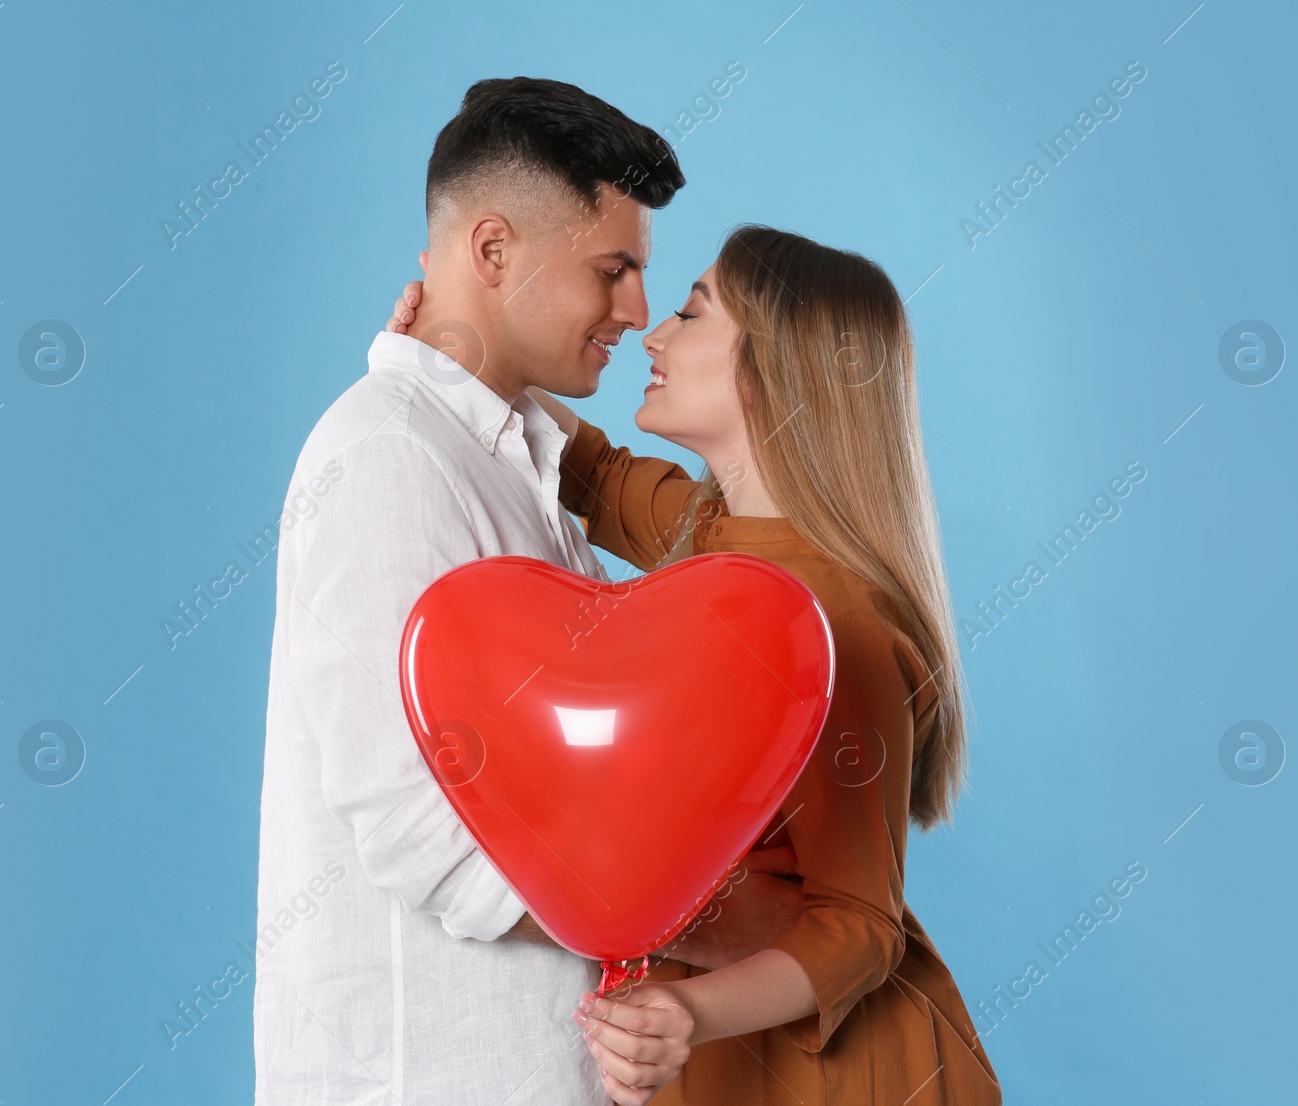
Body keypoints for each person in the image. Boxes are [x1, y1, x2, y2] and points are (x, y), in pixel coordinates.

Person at [255, 78, 804, 1106]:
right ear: (493, 251)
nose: (637, 309)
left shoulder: (511, 463)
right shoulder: (387, 457)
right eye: (614, 269)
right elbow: (416, 823)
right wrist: (717, 920)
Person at [386, 225, 1003, 1106]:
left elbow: (860, 925)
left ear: (775, 367)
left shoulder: (845, 626)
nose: (654, 333)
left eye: (690, 311)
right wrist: (452, 349)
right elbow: (589, 474)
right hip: (709, 1056)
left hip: (840, 1074)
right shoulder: (704, 535)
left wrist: (690, 1014)